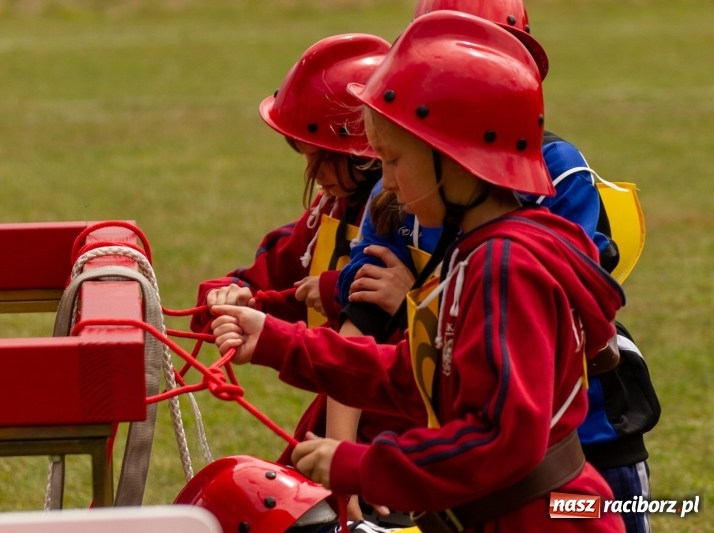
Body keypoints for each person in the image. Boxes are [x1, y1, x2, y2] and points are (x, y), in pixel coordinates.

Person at [210, 11, 626, 532]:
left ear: (451, 159)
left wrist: (363, 465)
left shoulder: (506, 268)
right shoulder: (477, 255)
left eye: (392, 160)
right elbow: (418, 375)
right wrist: (278, 341)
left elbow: (500, 438)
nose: (384, 185)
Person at [334, 2, 660, 532]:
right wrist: (343, 445)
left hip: (590, 443)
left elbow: (564, 310)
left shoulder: (554, 174)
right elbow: (365, 317)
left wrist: (419, 298)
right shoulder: (400, 184)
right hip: (471, 459)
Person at [189, 33, 390, 335]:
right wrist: (225, 295)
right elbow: (272, 276)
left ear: (362, 153)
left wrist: (334, 290)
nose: (313, 172)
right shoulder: (329, 211)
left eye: (324, 158)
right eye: (305, 155)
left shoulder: (405, 224)